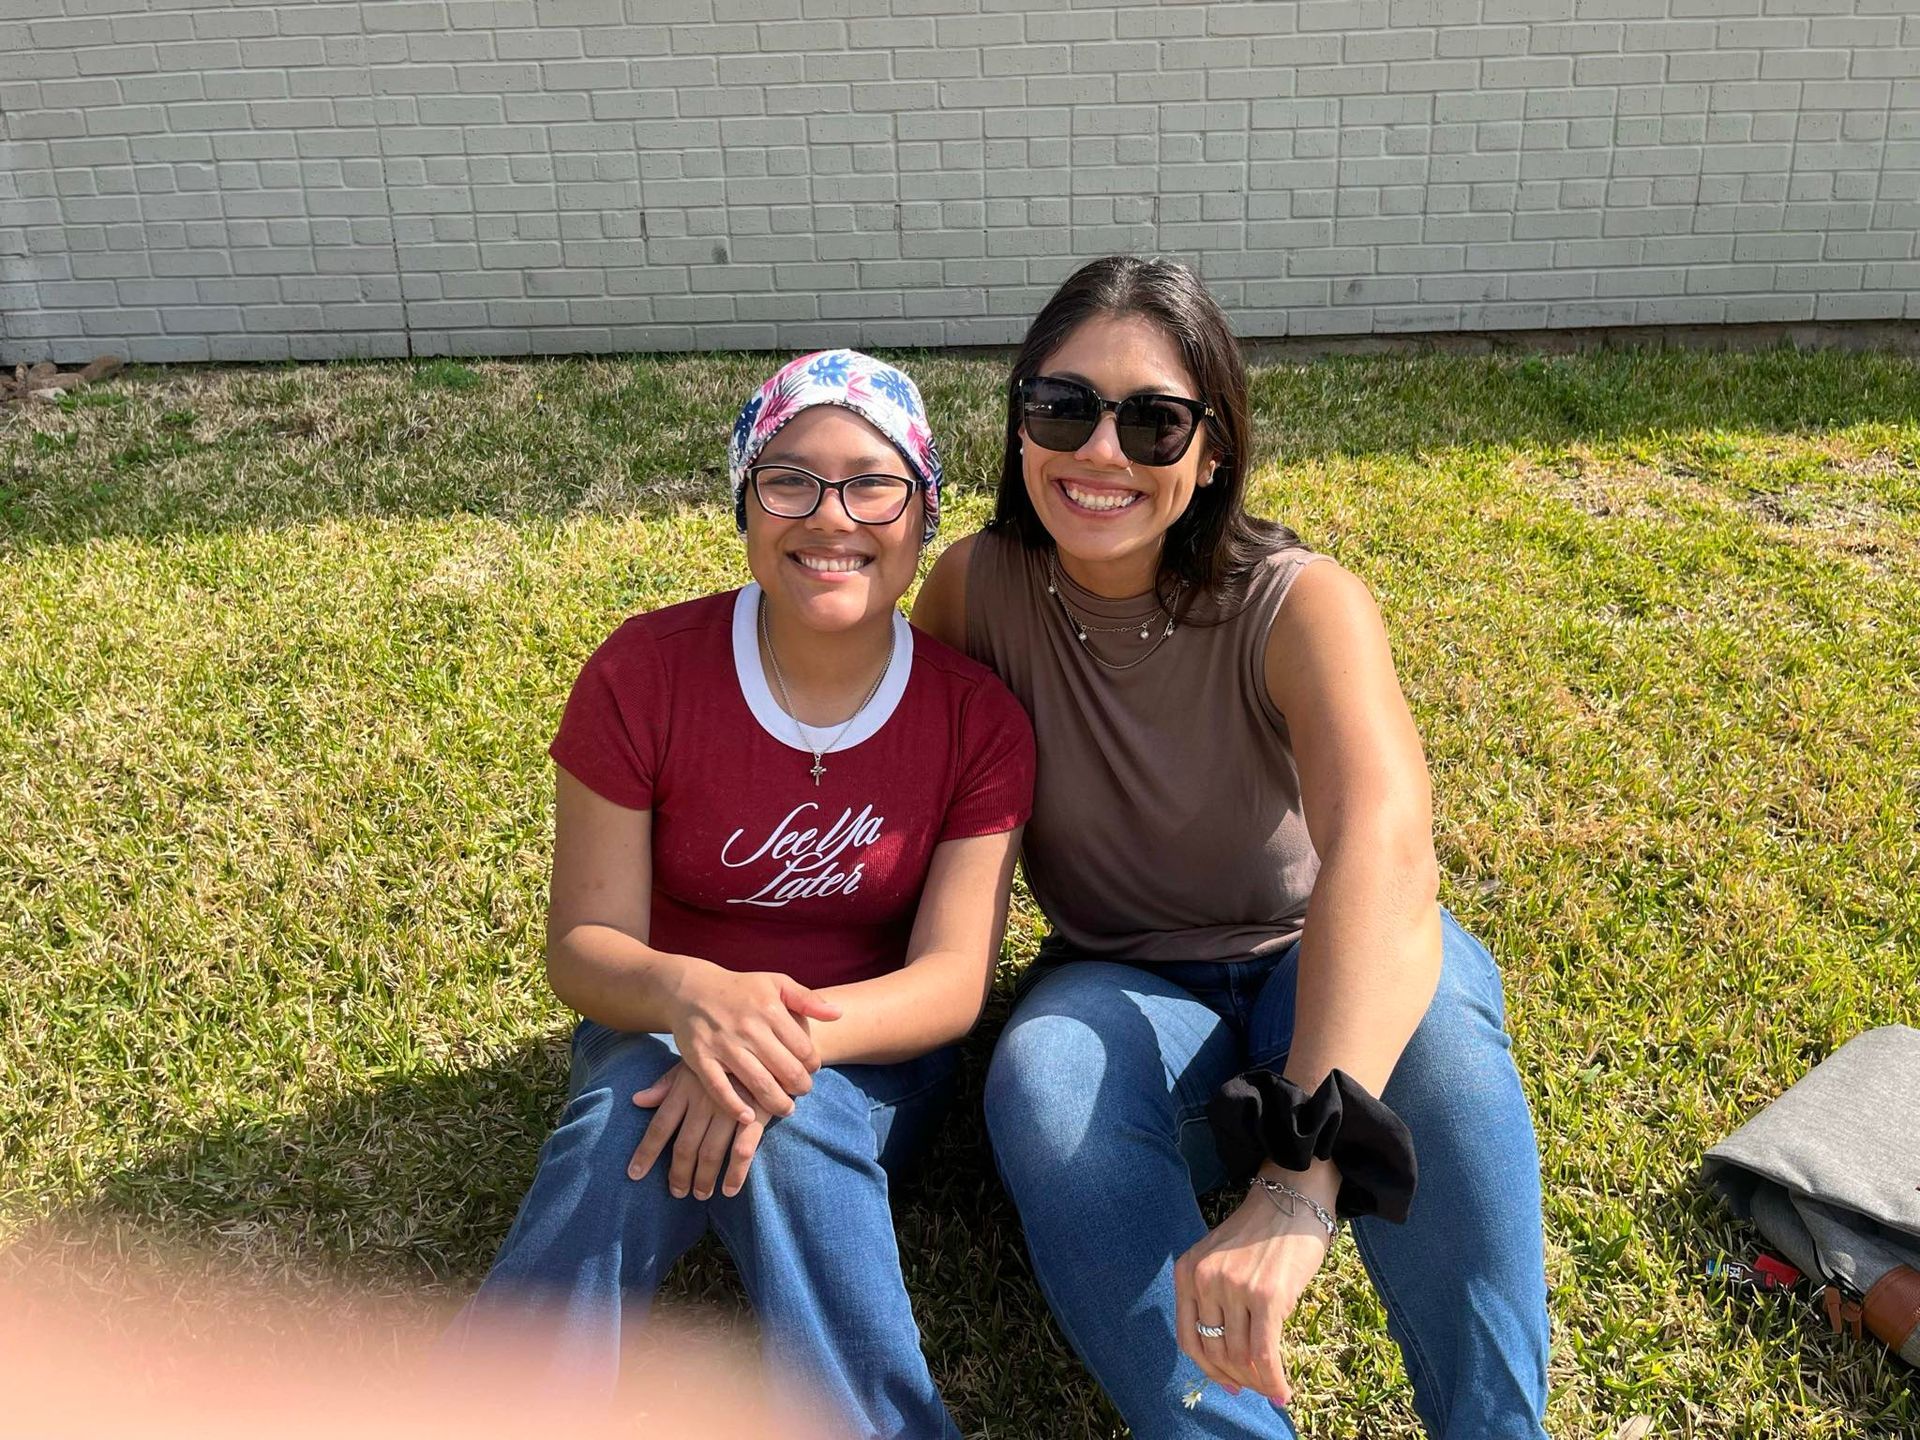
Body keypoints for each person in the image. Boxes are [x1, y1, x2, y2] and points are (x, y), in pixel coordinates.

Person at [912, 257, 1551, 1439]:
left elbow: (1387, 848)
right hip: (1122, 984)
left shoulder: (1295, 602)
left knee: (1445, 1045)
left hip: (1317, 953)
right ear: (1019, 425)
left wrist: (1301, 1178)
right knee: (1044, 1080)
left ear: (1212, 452)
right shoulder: (975, 591)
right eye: (1062, 408)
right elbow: (912, 810)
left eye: (1153, 421)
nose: (1101, 453)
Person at [451, 350, 1034, 1440]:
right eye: (789, 481)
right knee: (628, 1124)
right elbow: (584, 945)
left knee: (797, 1120)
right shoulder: (644, 673)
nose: (831, 518)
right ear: (744, 503)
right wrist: (691, 1004)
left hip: (869, 1053)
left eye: (873, 483)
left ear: (922, 513)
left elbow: (952, 984)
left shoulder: (977, 720)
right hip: (657, 1027)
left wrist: (770, 1042)